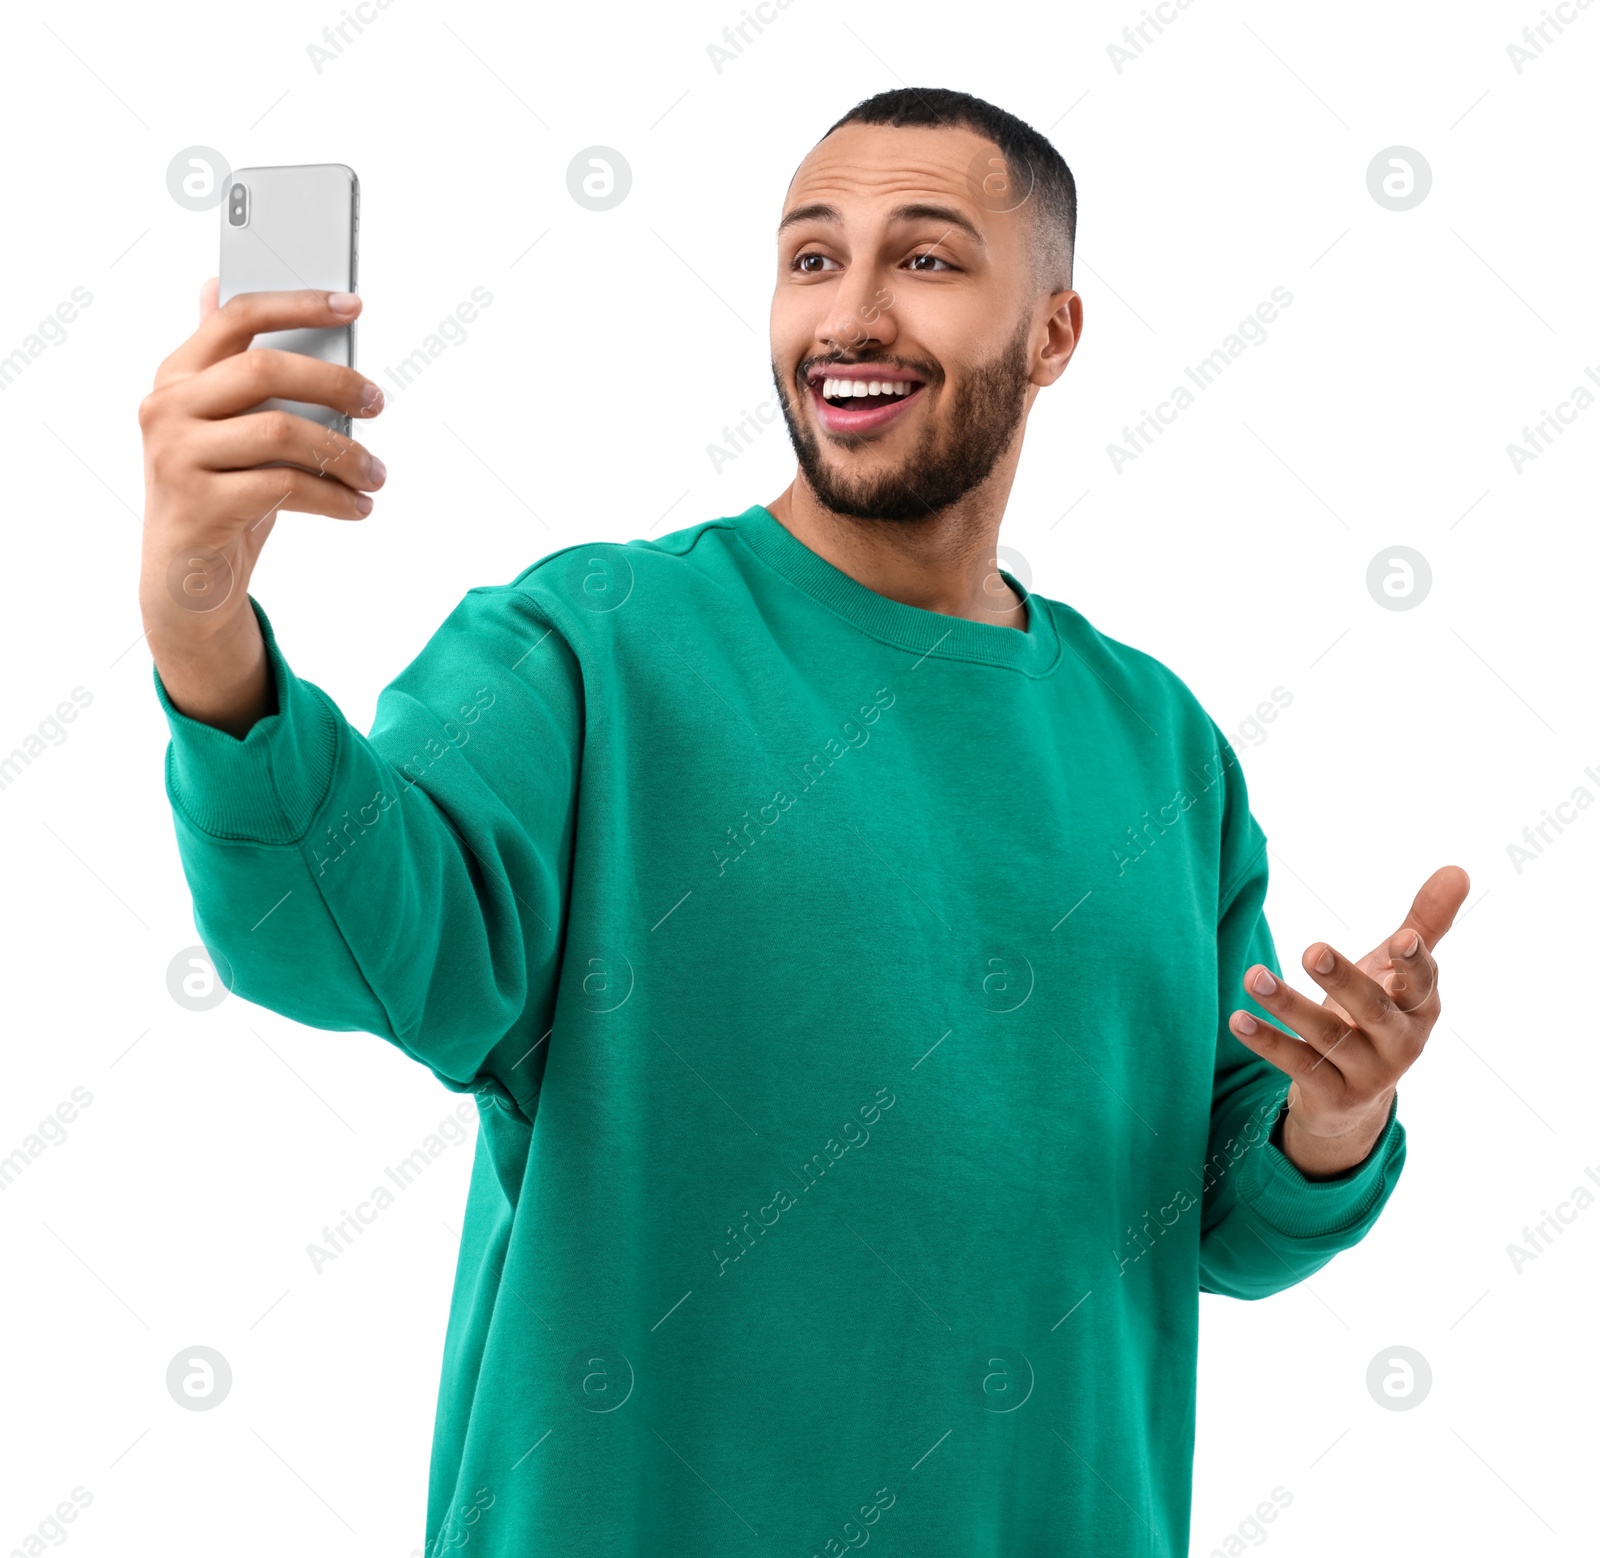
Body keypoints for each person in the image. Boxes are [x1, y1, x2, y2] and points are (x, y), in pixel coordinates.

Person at [136, 87, 1468, 1558]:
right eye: (812, 258)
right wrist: (201, 616)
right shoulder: (590, 646)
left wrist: (1336, 1113)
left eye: (930, 259)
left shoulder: (1160, 746)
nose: (850, 314)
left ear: (1054, 335)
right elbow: (343, 936)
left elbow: (1214, 1207)